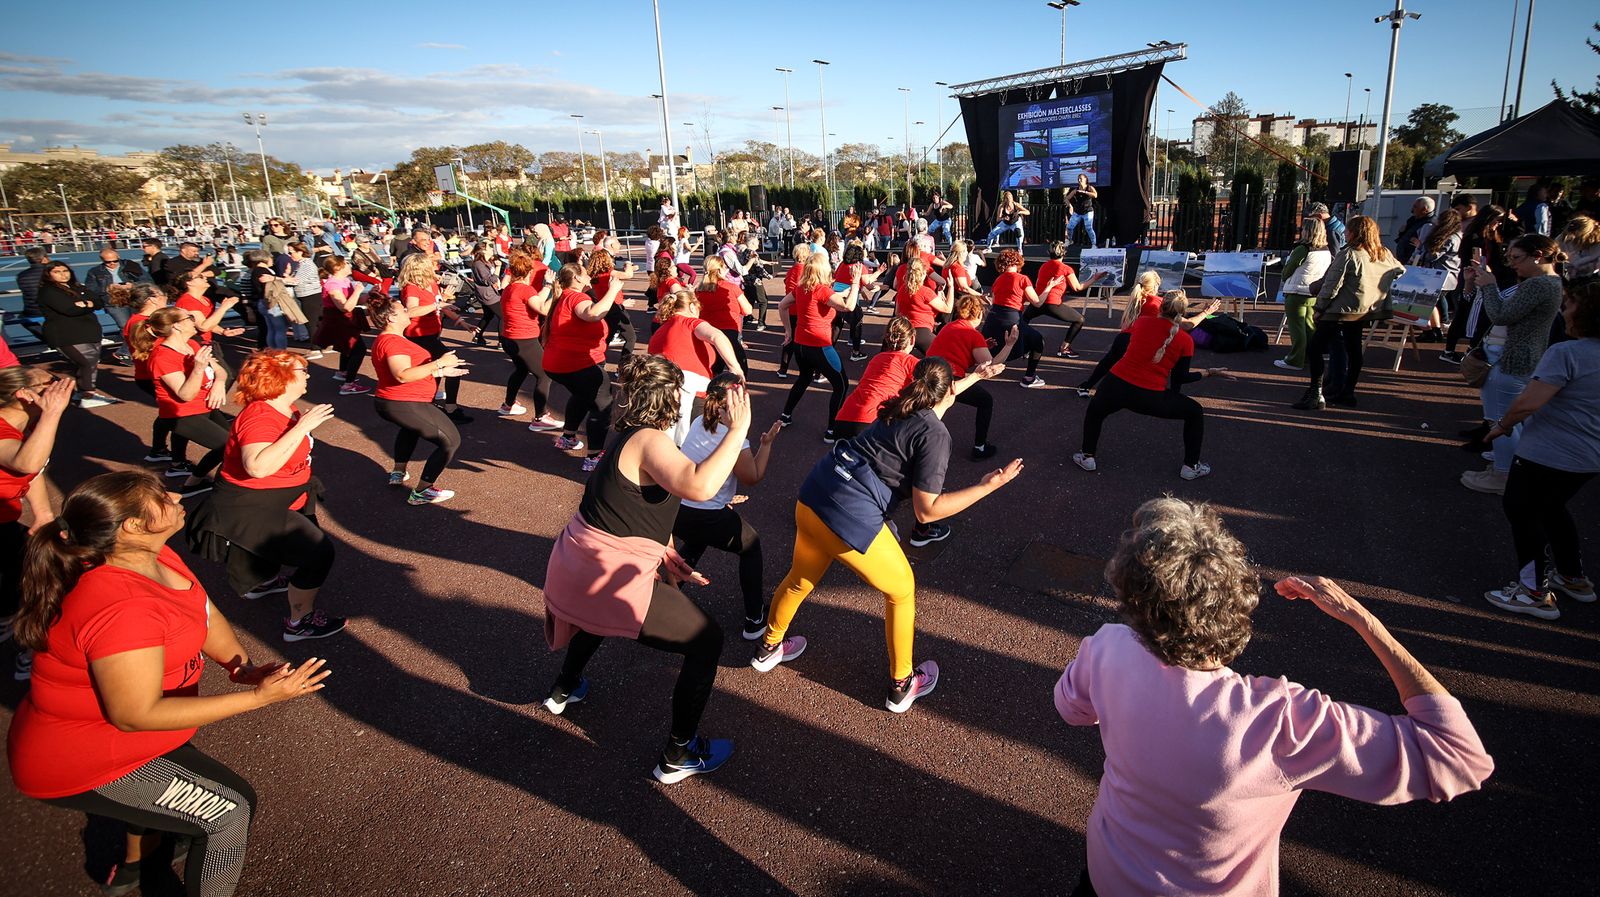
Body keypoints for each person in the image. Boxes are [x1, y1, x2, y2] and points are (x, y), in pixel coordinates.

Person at [1053, 497, 1493, 897]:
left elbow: (1072, 709)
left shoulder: (1109, 646)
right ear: (1237, 598)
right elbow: (1459, 757)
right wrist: (1365, 622)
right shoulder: (1281, 720)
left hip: (1106, 877)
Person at [7, 469, 332, 897]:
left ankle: (133, 868)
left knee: (172, 800)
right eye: (160, 496)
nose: (176, 494)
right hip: (83, 756)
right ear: (133, 527)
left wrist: (241, 666)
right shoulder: (122, 607)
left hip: (126, 735)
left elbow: (202, 609)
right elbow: (135, 714)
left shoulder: (151, 556)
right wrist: (258, 698)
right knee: (229, 810)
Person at [753, 357, 1025, 710]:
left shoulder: (900, 406)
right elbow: (927, 510)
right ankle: (902, 684)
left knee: (799, 579)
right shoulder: (935, 435)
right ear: (947, 393)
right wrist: (989, 486)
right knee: (902, 591)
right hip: (849, 516)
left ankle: (768, 647)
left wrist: (976, 375)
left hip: (814, 493)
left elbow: (948, 390)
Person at [541, 355, 750, 784]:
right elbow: (699, 486)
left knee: (595, 619)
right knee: (707, 641)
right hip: (604, 572)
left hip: (580, 565)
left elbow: (629, 505)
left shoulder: (625, 435)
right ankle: (678, 755)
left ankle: (564, 687)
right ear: (670, 396)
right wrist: (739, 430)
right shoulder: (650, 440)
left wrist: (663, 549)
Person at [184, 350, 346, 641]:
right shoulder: (261, 416)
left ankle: (262, 582)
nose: (308, 375)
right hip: (252, 503)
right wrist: (302, 428)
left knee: (278, 546)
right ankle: (299, 623)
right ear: (279, 379)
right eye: (301, 371)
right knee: (319, 554)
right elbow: (257, 467)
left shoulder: (285, 406)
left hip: (279, 496)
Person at [1480, 278, 1600, 620]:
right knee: (1553, 508)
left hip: (1548, 452)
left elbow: (1529, 402)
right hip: (1589, 455)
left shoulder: (1566, 353)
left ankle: (1533, 591)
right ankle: (1573, 576)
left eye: (1571, 305)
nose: (1564, 311)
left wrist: (1501, 427)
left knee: (1522, 510)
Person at [1074, 292, 1231, 480]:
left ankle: (1087, 455)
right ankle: (1191, 466)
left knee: (1095, 412)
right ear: (1181, 312)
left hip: (1115, 384)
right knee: (1195, 412)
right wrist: (1208, 372)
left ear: (1162, 307)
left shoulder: (1141, 323)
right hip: (1150, 396)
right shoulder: (1184, 340)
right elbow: (1180, 378)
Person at [673, 373, 783, 640]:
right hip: (703, 511)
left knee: (697, 542)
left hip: (678, 507)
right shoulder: (734, 437)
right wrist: (766, 445)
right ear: (735, 403)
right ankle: (754, 620)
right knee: (751, 546)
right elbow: (753, 477)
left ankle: (665, 597)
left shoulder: (700, 420)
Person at [1461, 234, 1566, 495]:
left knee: (1502, 420)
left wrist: (1489, 285)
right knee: (1511, 419)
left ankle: (1503, 476)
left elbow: (1501, 315)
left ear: (1538, 255)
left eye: (1517, 258)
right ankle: (1504, 464)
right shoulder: (1550, 283)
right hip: (1521, 357)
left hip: (1510, 360)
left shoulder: (1538, 285)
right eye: (1510, 258)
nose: (1513, 264)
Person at [0, 366, 71, 681]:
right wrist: (52, 414)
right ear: (23, 395)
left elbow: (35, 470)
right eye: (50, 383)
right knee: (45, 580)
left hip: (5, 519)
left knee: (28, 574)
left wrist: (42, 514)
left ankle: (8, 620)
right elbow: (25, 462)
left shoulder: (28, 426)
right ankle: (32, 655)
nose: (58, 386)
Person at [1293, 216, 1404, 410]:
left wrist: (1319, 308)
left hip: (1340, 311)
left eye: (1348, 230)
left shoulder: (1350, 253)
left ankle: (1315, 393)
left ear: (1354, 232)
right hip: (1365, 310)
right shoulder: (1383, 253)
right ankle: (1348, 391)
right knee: (1354, 350)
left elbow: (1332, 285)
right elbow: (1399, 270)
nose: (1345, 233)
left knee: (1316, 348)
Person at [367, 293, 468, 504]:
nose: (407, 312)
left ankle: (398, 471)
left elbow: (408, 371)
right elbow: (402, 374)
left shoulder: (390, 339)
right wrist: (439, 363)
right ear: (391, 318)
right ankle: (423, 490)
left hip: (397, 401)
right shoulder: (393, 342)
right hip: (403, 402)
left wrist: (440, 373)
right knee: (450, 441)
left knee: (410, 430)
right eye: (402, 310)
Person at [132, 308, 231, 498]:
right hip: (182, 413)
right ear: (176, 325)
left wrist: (219, 383)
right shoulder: (162, 357)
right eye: (189, 317)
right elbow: (185, 394)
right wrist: (198, 368)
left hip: (205, 407)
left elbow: (221, 371)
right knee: (226, 446)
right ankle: (194, 483)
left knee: (235, 443)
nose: (195, 320)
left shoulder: (192, 344)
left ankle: (191, 476)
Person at [543, 263, 625, 471]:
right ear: (578, 278)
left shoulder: (564, 296)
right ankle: (593, 457)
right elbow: (592, 314)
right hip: (578, 363)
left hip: (560, 362)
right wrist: (613, 290)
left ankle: (568, 436)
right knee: (603, 405)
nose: (589, 275)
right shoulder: (576, 297)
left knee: (581, 395)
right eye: (585, 273)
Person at [777, 251, 859, 439]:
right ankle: (832, 430)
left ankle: (786, 414)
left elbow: (782, 305)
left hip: (800, 345)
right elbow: (849, 307)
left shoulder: (802, 288)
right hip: (819, 345)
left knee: (804, 379)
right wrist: (855, 283)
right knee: (841, 385)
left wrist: (788, 331)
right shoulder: (821, 290)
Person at [646, 290, 743, 445]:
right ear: (691, 306)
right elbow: (716, 336)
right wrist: (735, 367)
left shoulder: (659, 332)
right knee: (698, 443)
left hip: (662, 394)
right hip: (693, 393)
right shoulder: (690, 323)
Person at [929, 292, 1017, 460]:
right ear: (978, 313)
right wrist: (1009, 345)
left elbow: (955, 353)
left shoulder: (949, 326)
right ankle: (980, 447)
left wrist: (979, 348)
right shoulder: (973, 334)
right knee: (985, 401)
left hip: (929, 373)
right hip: (948, 379)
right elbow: (990, 367)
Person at [397, 252, 472, 424]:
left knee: (434, 371)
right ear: (421, 268)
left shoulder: (430, 283)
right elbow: (411, 311)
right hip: (418, 336)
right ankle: (449, 408)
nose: (435, 266)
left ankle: (428, 403)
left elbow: (441, 306)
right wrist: (437, 304)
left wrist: (461, 321)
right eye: (431, 264)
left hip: (432, 333)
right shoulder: (412, 287)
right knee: (451, 364)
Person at [117, 284, 186, 467]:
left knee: (169, 413)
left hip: (154, 374)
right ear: (153, 299)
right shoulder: (141, 322)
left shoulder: (146, 320)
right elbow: (156, 350)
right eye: (162, 294)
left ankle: (159, 450)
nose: (165, 297)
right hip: (153, 375)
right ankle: (178, 462)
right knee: (181, 415)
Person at [37, 261, 120, 409]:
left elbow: (98, 301)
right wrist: (86, 304)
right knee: (86, 363)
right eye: (57, 272)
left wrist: (86, 304)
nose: (63, 274)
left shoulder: (78, 286)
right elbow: (69, 310)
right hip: (66, 334)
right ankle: (88, 394)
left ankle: (81, 393)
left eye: (65, 270)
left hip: (89, 331)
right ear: (48, 274)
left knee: (90, 363)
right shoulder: (48, 291)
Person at [496, 250, 561, 429]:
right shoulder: (524, 289)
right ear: (529, 271)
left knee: (521, 370)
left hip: (510, 338)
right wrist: (555, 293)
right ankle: (541, 417)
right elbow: (543, 309)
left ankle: (508, 404)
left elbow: (534, 300)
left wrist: (547, 286)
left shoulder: (511, 288)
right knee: (544, 374)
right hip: (524, 339)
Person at [986, 249, 1057, 388]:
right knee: (1038, 341)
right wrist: (1049, 287)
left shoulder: (998, 279)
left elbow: (994, 301)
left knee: (994, 345)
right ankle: (1029, 378)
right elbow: (1037, 302)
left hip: (994, 317)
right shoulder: (1023, 278)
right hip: (1012, 317)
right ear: (1018, 261)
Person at [1025, 241, 1104, 358]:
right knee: (1079, 320)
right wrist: (1094, 278)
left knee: (1024, 319)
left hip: (1038, 301)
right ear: (1064, 254)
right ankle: (1064, 348)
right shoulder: (1066, 269)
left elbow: (1038, 283)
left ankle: (1023, 346)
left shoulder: (1043, 266)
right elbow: (1077, 288)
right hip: (1052, 303)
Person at [1275, 220, 1333, 371]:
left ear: (1307, 231)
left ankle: (1295, 360)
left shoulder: (1302, 249)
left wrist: (1284, 275)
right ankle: (1310, 355)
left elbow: (1288, 269)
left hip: (1296, 292)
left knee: (1296, 327)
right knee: (1309, 325)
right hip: (1313, 292)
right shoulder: (1326, 250)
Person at [313, 256, 372, 395]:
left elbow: (355, 301)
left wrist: (369, 294)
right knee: (359, 350)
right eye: (346, 263)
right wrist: (358, 291)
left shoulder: (345, 281)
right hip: (338, 321)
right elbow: (345, 307)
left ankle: (342, 372)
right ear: (338, 267)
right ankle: (348, 385)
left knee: (347, 346)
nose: (349, 265)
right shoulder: (333, 285)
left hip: (346, 321)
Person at [1410, 208, 1463, 341]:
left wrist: (1422, 247)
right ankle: (1435, 330)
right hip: (1446, 275)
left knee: (1424, 303)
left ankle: (1431, 330)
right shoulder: (1457, 236)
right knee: (1432, 304)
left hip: (1438, 276)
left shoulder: (1448, 237)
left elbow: (1432, 256)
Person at [694, 257, 752, 374]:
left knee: (712, 371)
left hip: (708, 333)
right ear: (719, 270)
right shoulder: (731, 288)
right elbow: (748, 310)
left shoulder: (698, 291)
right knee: (740, 369)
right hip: (730, 333)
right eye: (725, 267)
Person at [83, 246, 151, 343]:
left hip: (134, 298)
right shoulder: (95, 272)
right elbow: (90, 288)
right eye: (108, 262)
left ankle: (142, 345)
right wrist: (107, 288)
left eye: (115, 261)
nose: (112, 264)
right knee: (124, 326)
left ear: (118, 257)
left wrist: (132, 285)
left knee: (140, 323)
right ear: (102, 260)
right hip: (113, 301)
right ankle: (130, 348)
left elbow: (148, 281)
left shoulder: (130, 266)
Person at [893, 254, 953, 356]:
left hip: (904, 330)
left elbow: (897, 313)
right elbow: (947, 308)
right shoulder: (925, 292)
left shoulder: (902, 289)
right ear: (924, 274)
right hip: (921, 331)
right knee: (944, 355)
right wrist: (951, 287)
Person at [467, 241, 505, 348]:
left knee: (488, 315)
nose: (492, 249)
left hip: (489, 293)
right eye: (489, 247)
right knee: (503, 316)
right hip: (488, 295)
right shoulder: (478, 264)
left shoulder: (487, 262)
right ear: (483, 250)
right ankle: (501, 342)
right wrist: (497, 269)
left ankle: (477, 336)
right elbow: (488, 280)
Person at [1393, 196, 1436, 261]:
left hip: (1412, 261)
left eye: (1415, 207)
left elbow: (1422, 248)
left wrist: (1413, 261)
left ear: (1424, 209)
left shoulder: (1428, 225)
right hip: (1403, 258)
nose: (1412, 210)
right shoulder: (1414, 219)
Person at [1065, 174, 1099, 247]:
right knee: (1069, 227)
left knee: (1088, 228)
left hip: (1088, 211)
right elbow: (1066, 198)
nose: (1079, 180)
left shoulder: (1089, 188)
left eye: (1081, 179)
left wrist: (1085, 192)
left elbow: (1095, 195)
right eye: (1078, 179)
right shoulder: (1076, 190)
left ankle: (1094, 244)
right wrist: (1070, 206)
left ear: (1085, 179)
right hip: (1078, 212)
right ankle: (1070, 240)